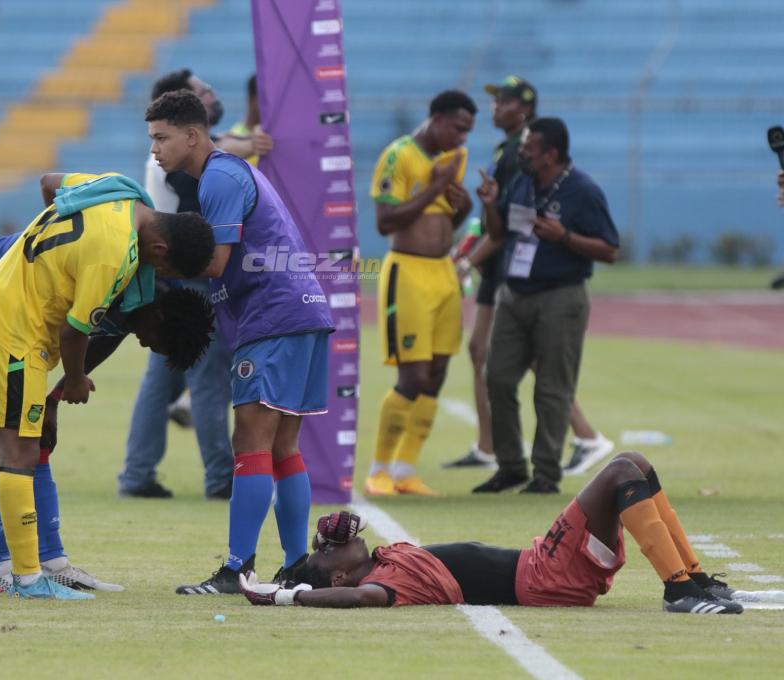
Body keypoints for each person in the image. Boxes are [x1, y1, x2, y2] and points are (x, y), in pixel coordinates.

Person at [0, 171, 214, 600]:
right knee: (21, 450)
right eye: (162, 266)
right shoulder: (116, 257)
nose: (155, 274)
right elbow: (74, 333)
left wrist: (51, 253)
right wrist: (74, 379)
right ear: (161, 249)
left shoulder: (120, 189)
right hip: (15, 327)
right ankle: (28, 579)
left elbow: (52, 183)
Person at [145, 90, 334, 594]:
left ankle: (237, 568)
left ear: (192, 135)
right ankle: (297, 565)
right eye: (151, 140)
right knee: (283, 446)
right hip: (302, 312)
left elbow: (215, 264)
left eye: (162, 138)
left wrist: (155, 259)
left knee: (249, 442)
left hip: (273, 316)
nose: (155, 150)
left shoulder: (219, 178)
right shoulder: (230, 172)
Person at [240, 452, 742, 615]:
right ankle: (678, 590)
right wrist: (295, 596)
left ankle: (694, 581)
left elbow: (349, 574)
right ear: (341, 576)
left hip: (545, 567)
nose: (333, 542)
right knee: (617, 473)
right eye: (327, 550)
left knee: (635, 465)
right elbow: (365, 597)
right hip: (547, 577)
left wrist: (296, 577)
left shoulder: (382, 556)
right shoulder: (385, 583)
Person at [444, 76, 614, 476]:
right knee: (491, 359)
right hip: (508, 268)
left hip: (521, 271)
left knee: (531, 362)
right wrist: (471, 250)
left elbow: (510, 230)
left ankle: (578, 440)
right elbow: (499, 220)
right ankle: (495, 449)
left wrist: (468, 261)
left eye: (503, 101)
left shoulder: (538, 162)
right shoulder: (516, 158)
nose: (495, 108)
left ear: (524, 109)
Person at [120, 68, 253, 500]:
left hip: (170, 273)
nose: (211, 96)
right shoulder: (180, 161)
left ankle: (137, 474)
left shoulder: (167, 156)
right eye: (202, 92)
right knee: (210, 379)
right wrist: (245, 145)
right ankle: (220, 478)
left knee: (161, 381)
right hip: (191, 276)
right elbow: (216, 164)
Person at [473, 118, 618, 495]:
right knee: (498, 377)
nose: (522, 153)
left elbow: (610, 250)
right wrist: (490, 205)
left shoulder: (583, 190)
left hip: (560, 297)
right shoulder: (522, 181)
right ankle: (510, 467)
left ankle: (545, 474)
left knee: (552, 387)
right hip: (514, 293)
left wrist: (565, 236)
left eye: (529, 149)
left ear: (551, 154)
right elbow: (500, 232)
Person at [363, 90, 476, 497]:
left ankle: (406, 470)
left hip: (443, 272)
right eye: (458, 128)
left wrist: (460, 203)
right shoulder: (399, 155)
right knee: (412, 375)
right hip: (407, 273)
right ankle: (378, 470)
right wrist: (434, 188)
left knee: (437, 374)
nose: (462, 139)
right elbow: (385, 221)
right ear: (437, 119)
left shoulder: (453, 160)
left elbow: (447, 218)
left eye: (468, 132)